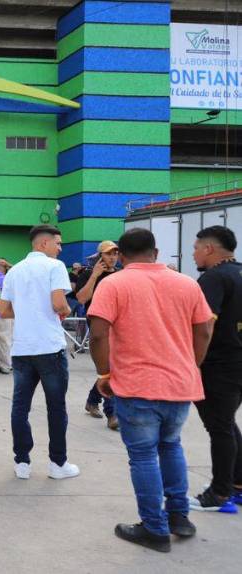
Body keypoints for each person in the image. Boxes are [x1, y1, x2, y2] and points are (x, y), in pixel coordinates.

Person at [89, 227, 212, 552]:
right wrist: (191, 363)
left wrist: (104, 373)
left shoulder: (115, 283)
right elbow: (205, 328)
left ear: (122, 257)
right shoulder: (186, 283)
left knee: (143, 456)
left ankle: (155, 529)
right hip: (179, 384)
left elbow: (99, 333)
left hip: (136, 385)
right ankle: (179, 518)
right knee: (171, 446)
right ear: (156, 253)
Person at [0, 225, 78, 480]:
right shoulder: (55, 267)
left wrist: (28, 312)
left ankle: (22, 462)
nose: (60, 248)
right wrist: (64, 308)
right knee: (56, 406)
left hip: (22, 348)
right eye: (58, 243)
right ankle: (58, 464)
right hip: (49, 347)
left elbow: (4, 311)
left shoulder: (15, 271)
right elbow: (58, 303)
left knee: (20, 406)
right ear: (44, 244)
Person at [190, 225, 242, 511]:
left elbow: (205, 325)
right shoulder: (238, 273)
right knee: (227, 424)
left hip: (218, 365)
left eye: (197, 247)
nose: (194, 253)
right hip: (237, 362)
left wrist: (193, 362)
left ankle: (219, 492)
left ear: (209, 248)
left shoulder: (213, 278)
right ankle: (237, 483)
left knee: (219, 427)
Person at [75, 240, 120, 430]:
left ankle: (93, 400)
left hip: (117, 325)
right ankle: (113, 414)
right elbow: (81, 298)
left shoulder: (119, 275)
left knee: (113, 368)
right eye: (108, 254)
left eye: (115, 254)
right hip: (98, 324)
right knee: (110, 368)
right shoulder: (88, 273)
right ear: (100, 256)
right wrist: (94, 275)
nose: (112, 257)